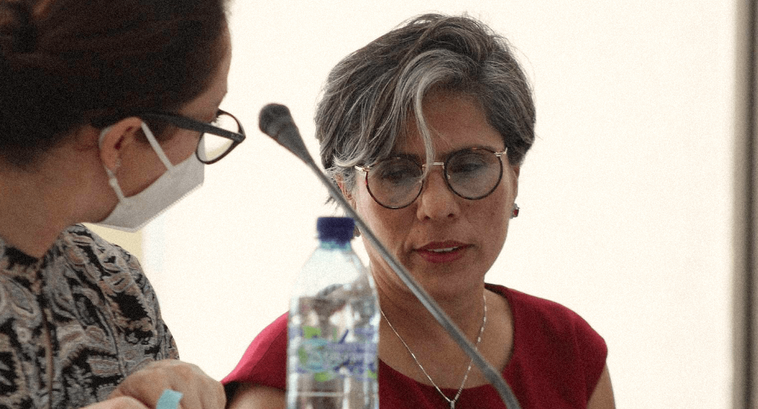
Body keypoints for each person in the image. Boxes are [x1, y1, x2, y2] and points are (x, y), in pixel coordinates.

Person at [224, 13, 615, 409]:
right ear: (346, 197)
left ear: (514, 175)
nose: (437, 207)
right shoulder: (294, 376)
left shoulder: (568, 352)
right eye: (397, 173)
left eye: (469, 166)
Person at [0, 0, 245, 407]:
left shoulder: (115, 284)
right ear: (121, 141)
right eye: (207, 121)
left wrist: (174, 395)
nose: (204, 145)